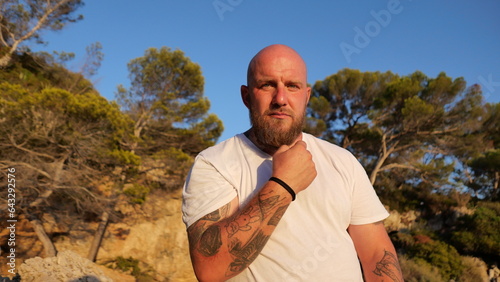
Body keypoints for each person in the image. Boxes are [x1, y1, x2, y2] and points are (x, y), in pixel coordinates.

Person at [182, 44, 403, 281]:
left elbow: (376, 254)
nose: (280, 98)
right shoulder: (214, 163)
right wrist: (283, 183)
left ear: (306, 97)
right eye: (267, 85)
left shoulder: (342, 160)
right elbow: (209, 269)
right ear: (247, 96)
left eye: (292, 86)